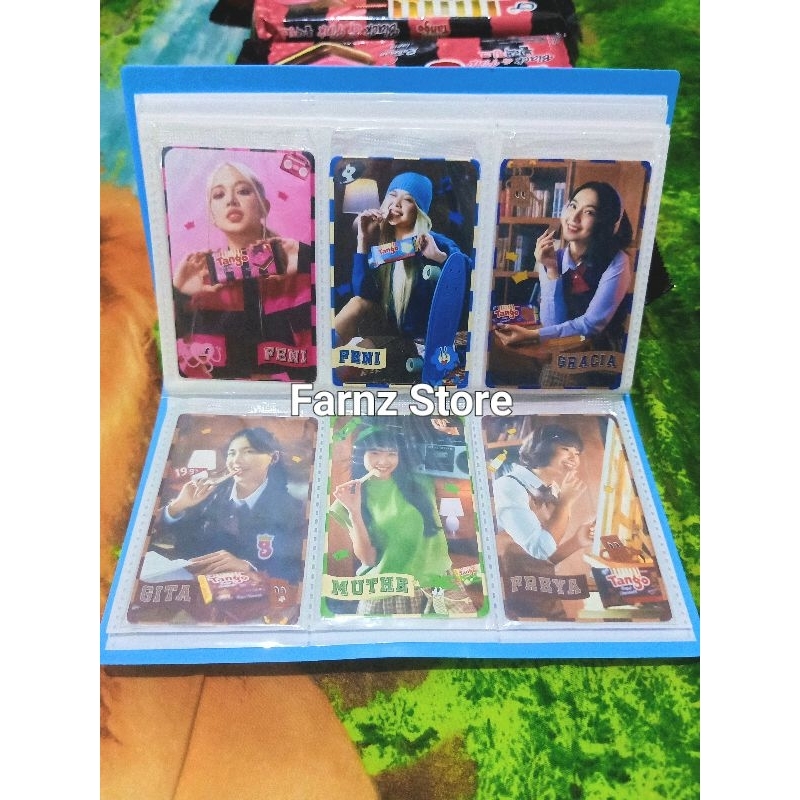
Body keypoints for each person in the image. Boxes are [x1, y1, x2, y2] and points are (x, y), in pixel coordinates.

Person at [171, 160, 315, 381]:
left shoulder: (301, 262)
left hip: (297, 396)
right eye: (219, 195)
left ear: (264, 206)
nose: (231, 200)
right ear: (212, 216)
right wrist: (179, 295)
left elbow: (325, 354)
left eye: (243, 191)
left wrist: (309, 260)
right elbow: (175, 366)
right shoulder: (200, 279)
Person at [333, 171, 472, 378]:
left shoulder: (434, 242)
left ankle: (337, 370)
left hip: (421, 343)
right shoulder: (383, 244)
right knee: (356, 303)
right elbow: (363, 292)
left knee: (352, 358)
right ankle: (322, 356)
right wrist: (363, 240)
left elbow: (471, 275)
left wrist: (439, 258)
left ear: (419, 211)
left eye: (407, 199)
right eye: (392, 195)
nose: (396, 204)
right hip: (387, 330)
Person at [494, 181, 634, 353]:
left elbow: (591, 325)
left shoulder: (617, 262)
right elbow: (552, 325)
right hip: (562, 350)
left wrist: (532, 335)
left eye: (589, 212)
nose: (574, 218)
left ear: (604, 221)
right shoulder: (553, 257)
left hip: (601, 355)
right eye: (573, 206)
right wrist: (551, 269)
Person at [153, 427, 306, 583]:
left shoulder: (292, 509)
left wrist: (249, 567)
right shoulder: (208, 493)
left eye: (249, 452)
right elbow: (157, 537)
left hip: (249, 594)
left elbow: (294, 568)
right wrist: (178, 505)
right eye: (231, 453)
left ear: (273, 458)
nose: (236, 461)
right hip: (191, 585)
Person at [328, 427, 452, 615]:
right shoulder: (347, 498)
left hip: (437, 583)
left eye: (392, 453)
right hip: (390, 590)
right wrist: (354, 511)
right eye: (375, 453)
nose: (383, 461)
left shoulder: (421, 481)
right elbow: (368, 559)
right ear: (361, 454)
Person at [492, 423, 595, 569]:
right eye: (565, 449)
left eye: (577, 453)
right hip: (498, 577)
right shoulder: (509, 486)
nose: (574, 458)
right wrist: (565, 503)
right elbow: (540, 549)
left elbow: (542, 562)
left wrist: (577, 541)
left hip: (529, 579)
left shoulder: (553, 490)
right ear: (542, 449)